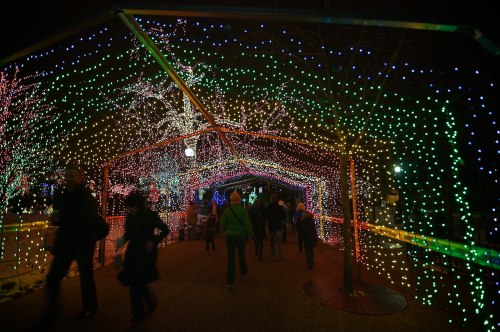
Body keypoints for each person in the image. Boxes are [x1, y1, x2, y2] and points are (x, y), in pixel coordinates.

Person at [40, 165, 102, 327]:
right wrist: (56, 219)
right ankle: (52, 313)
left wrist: (66, 216)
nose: (69, 179)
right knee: (52, 278)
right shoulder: (61, 196)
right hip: (65, 243)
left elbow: (86, 220)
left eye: (72, 176)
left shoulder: (87, 197)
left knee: (86, 277)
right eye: (67, 176)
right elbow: (59, 219)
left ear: (81, 178)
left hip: (82, 244)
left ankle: (90, 307)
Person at [118, 191, 170, 328]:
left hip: (146, 253)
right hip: (133, 252)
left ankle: (137, 317)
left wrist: (154, 240)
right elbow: (129, 233)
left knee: (135, 283)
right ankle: (150, 303)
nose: (129, 209)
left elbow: (165, 229)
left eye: (132, 207)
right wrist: (122, 242)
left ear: (138, 205)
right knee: (135, 282)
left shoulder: (149, 215)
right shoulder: (130, 217)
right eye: (128, 207)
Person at [220, 191, 253, 288]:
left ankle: (230, 281)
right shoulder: (243, 210)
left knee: (231, 258)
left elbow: (223, 225)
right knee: (241, 255)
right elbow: (246, 225)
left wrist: (227, 230)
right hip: (240, 236)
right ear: (239, 200)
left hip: (230, 236)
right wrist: (251, 235)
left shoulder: (227, 211)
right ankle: (243, 272)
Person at [264, 193, 285, 261]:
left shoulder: (268, 207)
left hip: (271, 226)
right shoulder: (280, 207)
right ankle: (278, 254)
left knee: (272, 240)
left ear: (271, 199)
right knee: (278, 241)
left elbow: (266, 216)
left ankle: (273, 252)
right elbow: (283, 217)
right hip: (278, 226)